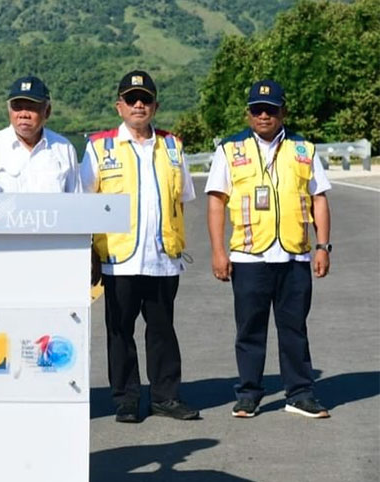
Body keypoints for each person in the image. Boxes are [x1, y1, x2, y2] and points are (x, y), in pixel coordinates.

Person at [205, 80, 332, 419]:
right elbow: (216, 201)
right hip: (249, 256)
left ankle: (300, 393)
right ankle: (249, 394)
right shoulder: (230, 149)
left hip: (294, 254)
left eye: (271, 109)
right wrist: (218, 251)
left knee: (294, 328)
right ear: (248, 114)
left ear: (282, 112)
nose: (264, 115)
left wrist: (323, 246)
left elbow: (319, 198)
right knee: (250, 329)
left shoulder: (304, 148)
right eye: (258, 109)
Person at [80, 70, 199, 423]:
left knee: (162, 331)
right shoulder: (100, 147)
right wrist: (89, 253)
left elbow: (182, 199)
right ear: (119, 106)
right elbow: (84, 202)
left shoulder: (172, 147)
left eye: (145, 99)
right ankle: (126, 399)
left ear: (155, 106)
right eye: (131, 99)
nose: (138, 105)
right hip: (119, 258)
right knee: (120, 331)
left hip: (162, 257)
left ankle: (165, 397)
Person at [0, 75, 79, 193]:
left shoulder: (64, 149)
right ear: (9, 110)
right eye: (17, 107)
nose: (24, 114)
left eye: (31, 107)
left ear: (47, 111)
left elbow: (76, 199)